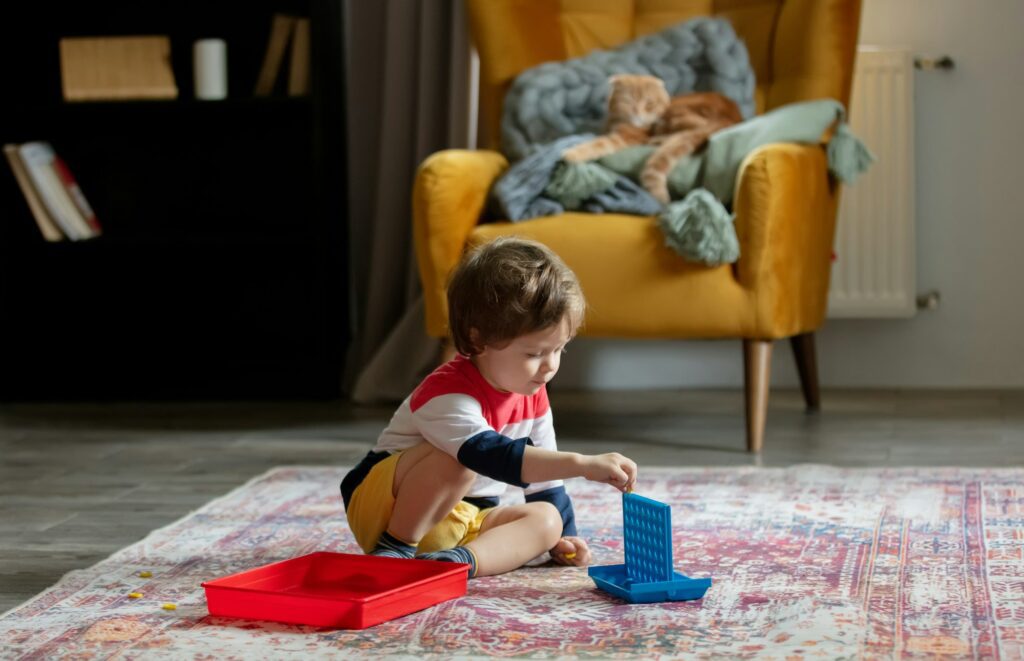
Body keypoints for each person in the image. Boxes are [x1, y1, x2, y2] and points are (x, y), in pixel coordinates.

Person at [340, 236, 638, 578]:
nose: (550, 366)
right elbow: (491, 455)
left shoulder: (533, 395)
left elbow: (545, 484)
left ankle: (457, 563)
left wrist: (564, 537)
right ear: (479, 339)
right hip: (384, 509)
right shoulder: (445, 392)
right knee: (459, 460)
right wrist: (582, 464)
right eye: (534, 354)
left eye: (559, 350)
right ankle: (394, 546)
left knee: (546, 520)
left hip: (466, 518)